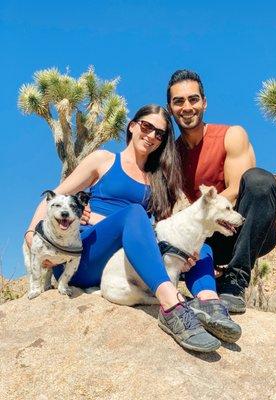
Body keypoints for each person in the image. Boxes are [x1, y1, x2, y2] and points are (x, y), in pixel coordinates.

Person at [24, 104, 240, 352]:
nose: (151, 137)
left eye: (159, 134)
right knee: (135, 214)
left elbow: (161, 230)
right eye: (147, 127)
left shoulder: (159, 180)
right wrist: (32, 234)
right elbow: (55, 196)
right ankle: (171, 306)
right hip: (84, 255)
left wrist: (183, 253)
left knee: (200, 249)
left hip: (125, 258)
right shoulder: (103, 160)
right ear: (132, 126)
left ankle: (209, 306)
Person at [166, 70, 276, 314]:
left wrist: (194, 213)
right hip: (209, 235)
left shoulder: (231, 135)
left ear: (204, 102)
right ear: (171, 107)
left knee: (259, 180)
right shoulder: (172, 156)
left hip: (248, 227)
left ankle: (235, 281)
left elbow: (239, 189)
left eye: (193, 99)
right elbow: (161, 203)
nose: (187, 107)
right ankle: (207, 278)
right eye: (179, 101)